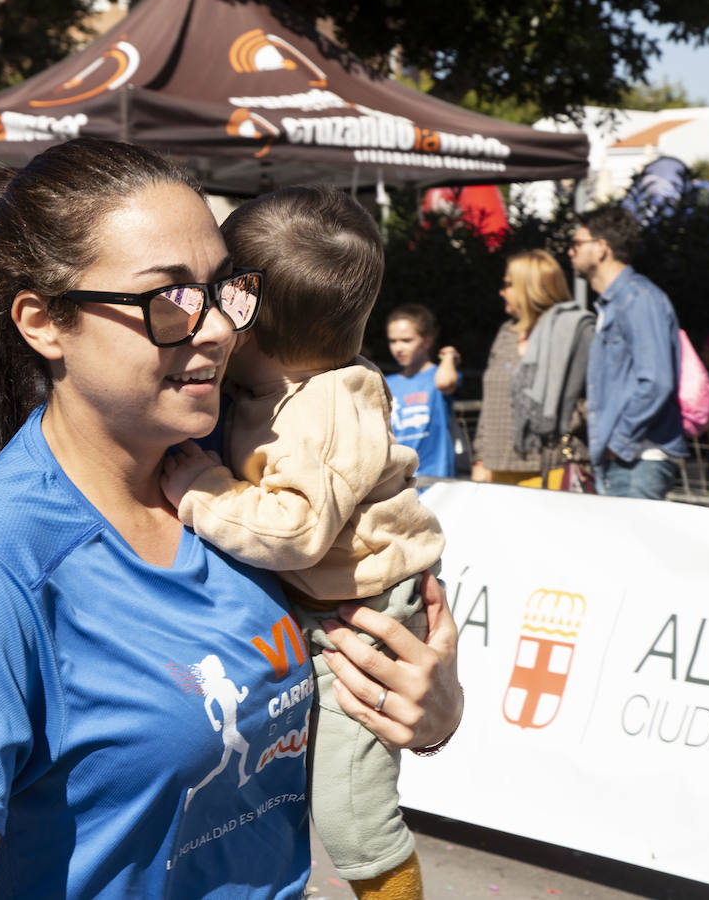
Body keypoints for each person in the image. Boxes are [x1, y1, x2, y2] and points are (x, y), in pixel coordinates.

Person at [0, 139, 463, 899]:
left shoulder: (244, 476)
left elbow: (322, 711)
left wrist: (429, 716)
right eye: (166, 297)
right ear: (43, 323)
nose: (217, 329)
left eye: (224, 288)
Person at [160, 186, 448, 899]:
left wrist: (204, 490)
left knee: (351, 812)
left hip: (362, 618)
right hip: (327, 607)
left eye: (217, 294)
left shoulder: (322, 405)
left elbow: (295, 529)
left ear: (245, 317)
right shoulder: (269, 391)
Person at [569, 205, 686, 500]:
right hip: (624, 459)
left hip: (637, 460)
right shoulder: (613, 303)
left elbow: (656, 382)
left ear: (601, 248)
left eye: (577, 244)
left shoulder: (638, 299)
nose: (570, 252)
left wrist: (617, 442)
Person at [470, 249, 585, 487]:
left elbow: (588, 400)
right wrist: (480, 458)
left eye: (509, 284)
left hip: (550, 467)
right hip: (497, 468)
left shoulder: (567, 332)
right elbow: (490, 401)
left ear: (530, 287)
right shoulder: (506, 333)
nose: (502, 291)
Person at [385, 304, 461, 478]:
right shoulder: (387, 383)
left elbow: (446, 382)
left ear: (427, 341)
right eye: (393, 341)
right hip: (398, 481)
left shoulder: (438, 375)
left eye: (406, 340)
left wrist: (448, 356)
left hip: (436, 480)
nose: (398, 348)